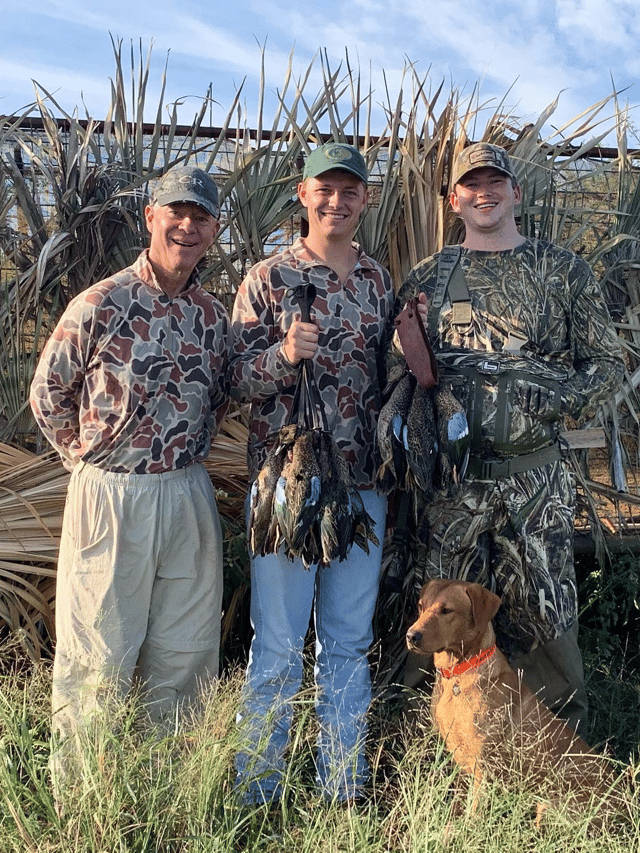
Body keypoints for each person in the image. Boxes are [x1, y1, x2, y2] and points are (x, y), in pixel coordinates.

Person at [397, 142, 624, 737]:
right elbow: (401, 373)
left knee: (544, 614)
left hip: (536, 476)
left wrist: (547, 401)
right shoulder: (427, 279)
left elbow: (606, 364)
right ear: (454, 200)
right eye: (471, 183)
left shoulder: (564, 272)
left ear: (516, 193)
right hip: (455, 484)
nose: (485, 191)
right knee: (438, 612)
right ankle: (430, 752)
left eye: (496, 180)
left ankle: (552, 752)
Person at [30, 165, 231, 769]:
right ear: (152, 217)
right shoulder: (101, 301)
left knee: (186, 653)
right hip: (112, 497)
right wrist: (89, 463)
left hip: (187, 495)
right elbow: (47, 394)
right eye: (177, 213)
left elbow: (218, 398)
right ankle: (87, 805)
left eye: (200, 217)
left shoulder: (212, 316)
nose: (187, 226)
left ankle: (166, 792)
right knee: (98, 655)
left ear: (214, 230)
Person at [230, 142, 394, 803]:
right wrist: (279, 355)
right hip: (286, 485)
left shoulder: (379, 280)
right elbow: (233, 381)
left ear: (364, 199)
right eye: (324, 189)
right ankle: (256, 793)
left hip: (362, 486)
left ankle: (341, 787)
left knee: (348, 643)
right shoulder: (268, 278)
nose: (337, 200)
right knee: (276, 643)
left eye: (350, 189)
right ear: (303, 194)